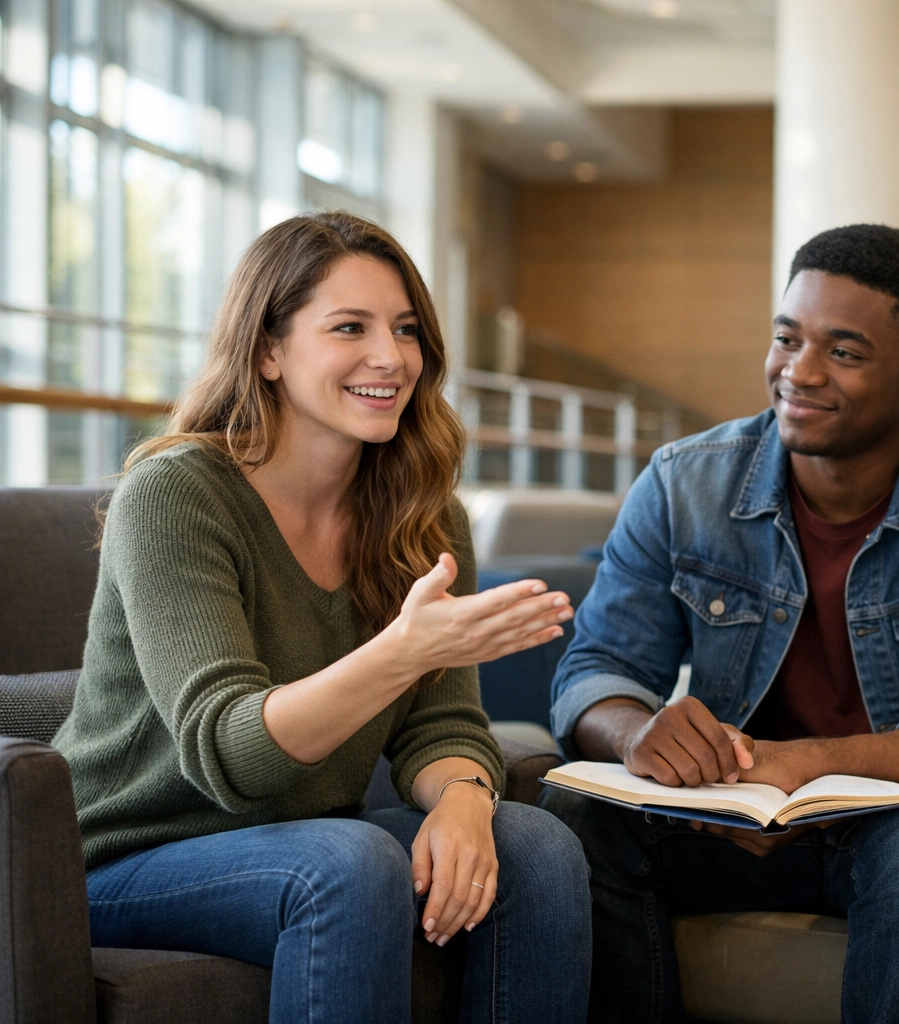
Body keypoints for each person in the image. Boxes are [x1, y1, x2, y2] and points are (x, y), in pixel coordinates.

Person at [52, 212, 592, 1024]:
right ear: (268, 351)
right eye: (350, 327)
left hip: (298, 836)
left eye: (405, 329)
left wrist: (464, 800)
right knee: (348, 863)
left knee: (539, 847)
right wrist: (403, 651)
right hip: (123, 856)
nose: (392, 357)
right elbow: (230, 754)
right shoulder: (176, 496)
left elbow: (441, 726)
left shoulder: (424, 515)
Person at [539, 223, 899, 1024]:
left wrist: (805, 765)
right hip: (732, 818)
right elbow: (596, 669)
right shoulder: (684, 481)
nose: (798, 371)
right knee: (575, 820)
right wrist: (635, 735)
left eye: (844, 352)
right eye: (787, 339)